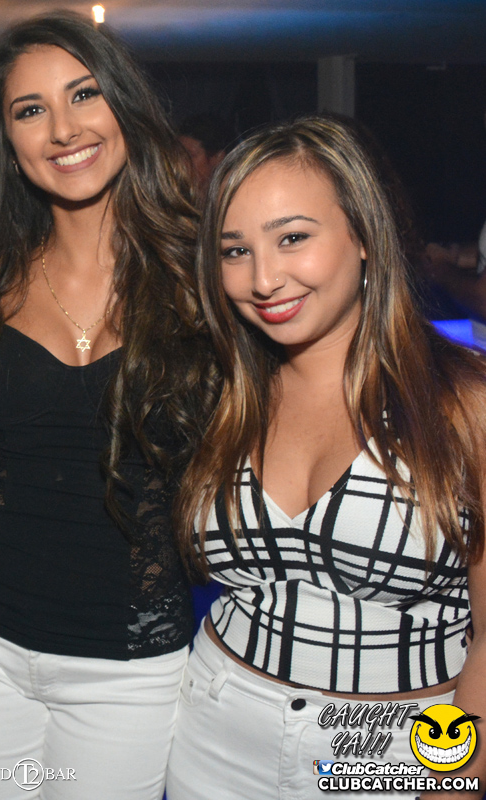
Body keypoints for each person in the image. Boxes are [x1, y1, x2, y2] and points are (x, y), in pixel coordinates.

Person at [167, 116, 486, 800]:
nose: (263, 279)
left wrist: (455, 780)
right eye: (234, 250)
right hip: (216, 727)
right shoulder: (221, 394)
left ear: (364, 235)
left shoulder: (463, 403)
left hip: (392, 747)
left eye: (292, 238)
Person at [0, 11, 207, 800]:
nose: (62, 129)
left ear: (124, 103)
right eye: (30, 110)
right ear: (9, 140)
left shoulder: (208, 277)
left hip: (125, 669)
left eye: (84, 94)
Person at [178, 113, 234, 201]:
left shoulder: (230, 201)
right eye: (178, 155)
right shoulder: (172, 199)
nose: (180, 163)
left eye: (190, 156)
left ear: (218, 157)